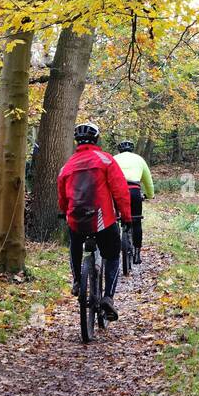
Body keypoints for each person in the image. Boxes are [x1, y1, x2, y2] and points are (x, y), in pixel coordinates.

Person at [57, 122, 132, 320]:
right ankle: (108, 297)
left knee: (75, 242)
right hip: (103, 219)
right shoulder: (106, 160)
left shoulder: (66, 167)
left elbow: (63, 198)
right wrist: (126, 217)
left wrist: (65, 212)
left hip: (77, 219)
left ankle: (76, 281)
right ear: (97, 139)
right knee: (114, 255)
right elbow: (120, 191)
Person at [113, 140, 153, 264]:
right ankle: (137, 254)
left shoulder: (114, 159)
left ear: (119, 150)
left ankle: (114, 247)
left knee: (114, 218)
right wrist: (149, 195)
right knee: (137, 222)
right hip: (134, 191)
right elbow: (148, 180)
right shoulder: (139, 159)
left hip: (118, 191)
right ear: (132, 149)